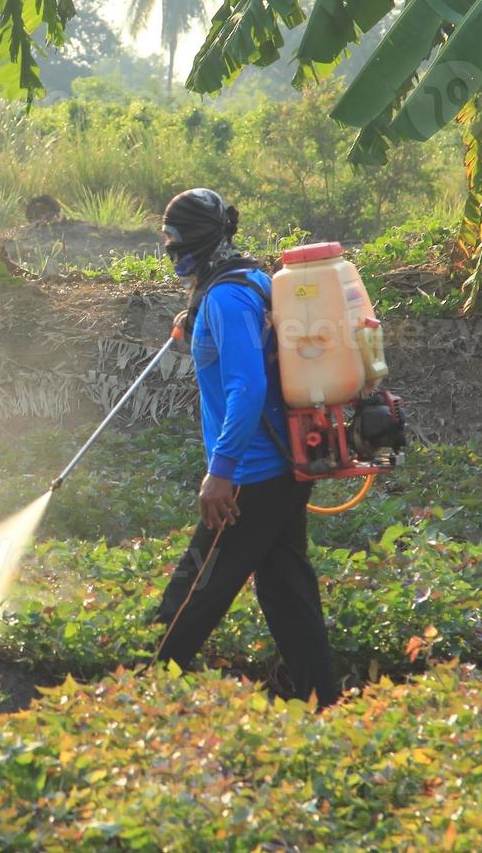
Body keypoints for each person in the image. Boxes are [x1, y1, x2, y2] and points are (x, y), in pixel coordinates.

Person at [152, 187, 340, 708]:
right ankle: (322, 703)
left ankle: (139, 689)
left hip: (252, 475)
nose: (171, 250)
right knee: (287, 594)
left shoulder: (227, 297)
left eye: (175, 239)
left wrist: (222, 470)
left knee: (193, 591)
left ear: (197, 238)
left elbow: (248, 387)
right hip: (282, 469)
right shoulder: (246, 281)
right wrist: (197, 325)